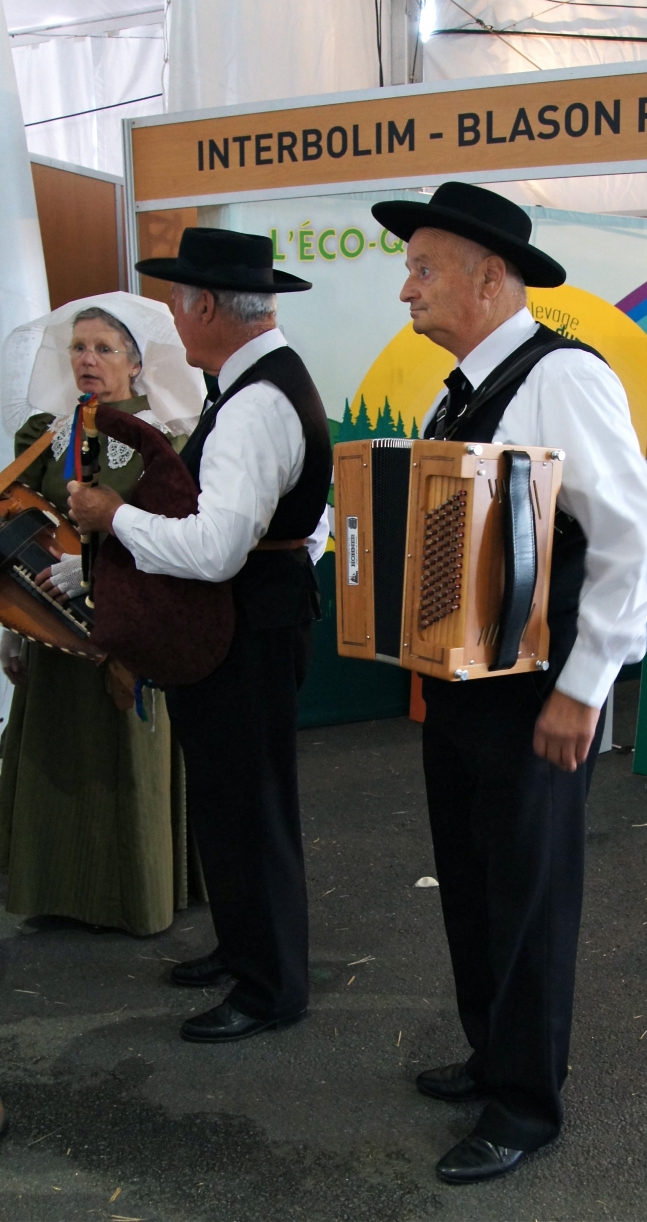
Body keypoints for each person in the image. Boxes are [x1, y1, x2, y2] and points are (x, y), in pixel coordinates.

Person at [370, 183, 647, 1184]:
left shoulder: (562, 378)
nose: (405, 283)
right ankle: (488, 1053)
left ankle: (526, 1104)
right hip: (464, 690)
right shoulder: (454, 390)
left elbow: (640, 548)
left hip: (537, 695)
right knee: (471, 880)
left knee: (531, 896)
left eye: (424, 266)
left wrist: (582, 690)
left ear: (489, 277)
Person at [68, 228, 332, 1044]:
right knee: (230, 801)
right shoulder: (257, 386)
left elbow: (216, 550)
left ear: (208, 306)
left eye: (179, 306)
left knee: (249, 807)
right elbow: (304, 522)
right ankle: (245, 948)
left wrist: (117, 516)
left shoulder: (255, 404)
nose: (174, 324)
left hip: (242, 627)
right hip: (253, 617)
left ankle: (270, 985)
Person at [0, 294, 205, 935]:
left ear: (137, 364)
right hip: (53, 619)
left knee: (127, 754)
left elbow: (177, 535)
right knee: (57, 754)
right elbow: (19, 525)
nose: (88, 360)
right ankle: (61, 891)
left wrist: (103, 568)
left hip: (130, 626)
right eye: (79, 348)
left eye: (104, 349)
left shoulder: (164, 441)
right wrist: (10, 622)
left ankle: (135, 896)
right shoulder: (46, 438)